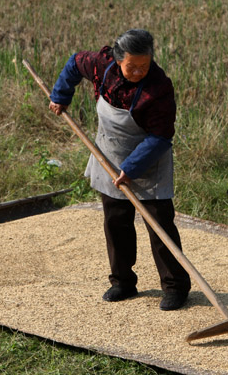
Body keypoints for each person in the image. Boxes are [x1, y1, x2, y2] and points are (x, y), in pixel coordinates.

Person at [48, 29, 191, 311]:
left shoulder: (159, 88)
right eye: (131, 66)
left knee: (159, 225)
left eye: (144, 66)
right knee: (116, 221)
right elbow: (75, 62)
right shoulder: (102, 65)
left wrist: (132, 169)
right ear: (118, 59)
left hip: (149, 158)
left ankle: (176, 286)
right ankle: (122, 282)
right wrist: (61, 95)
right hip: (109, 154)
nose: (138, 72)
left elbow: (161, 135)